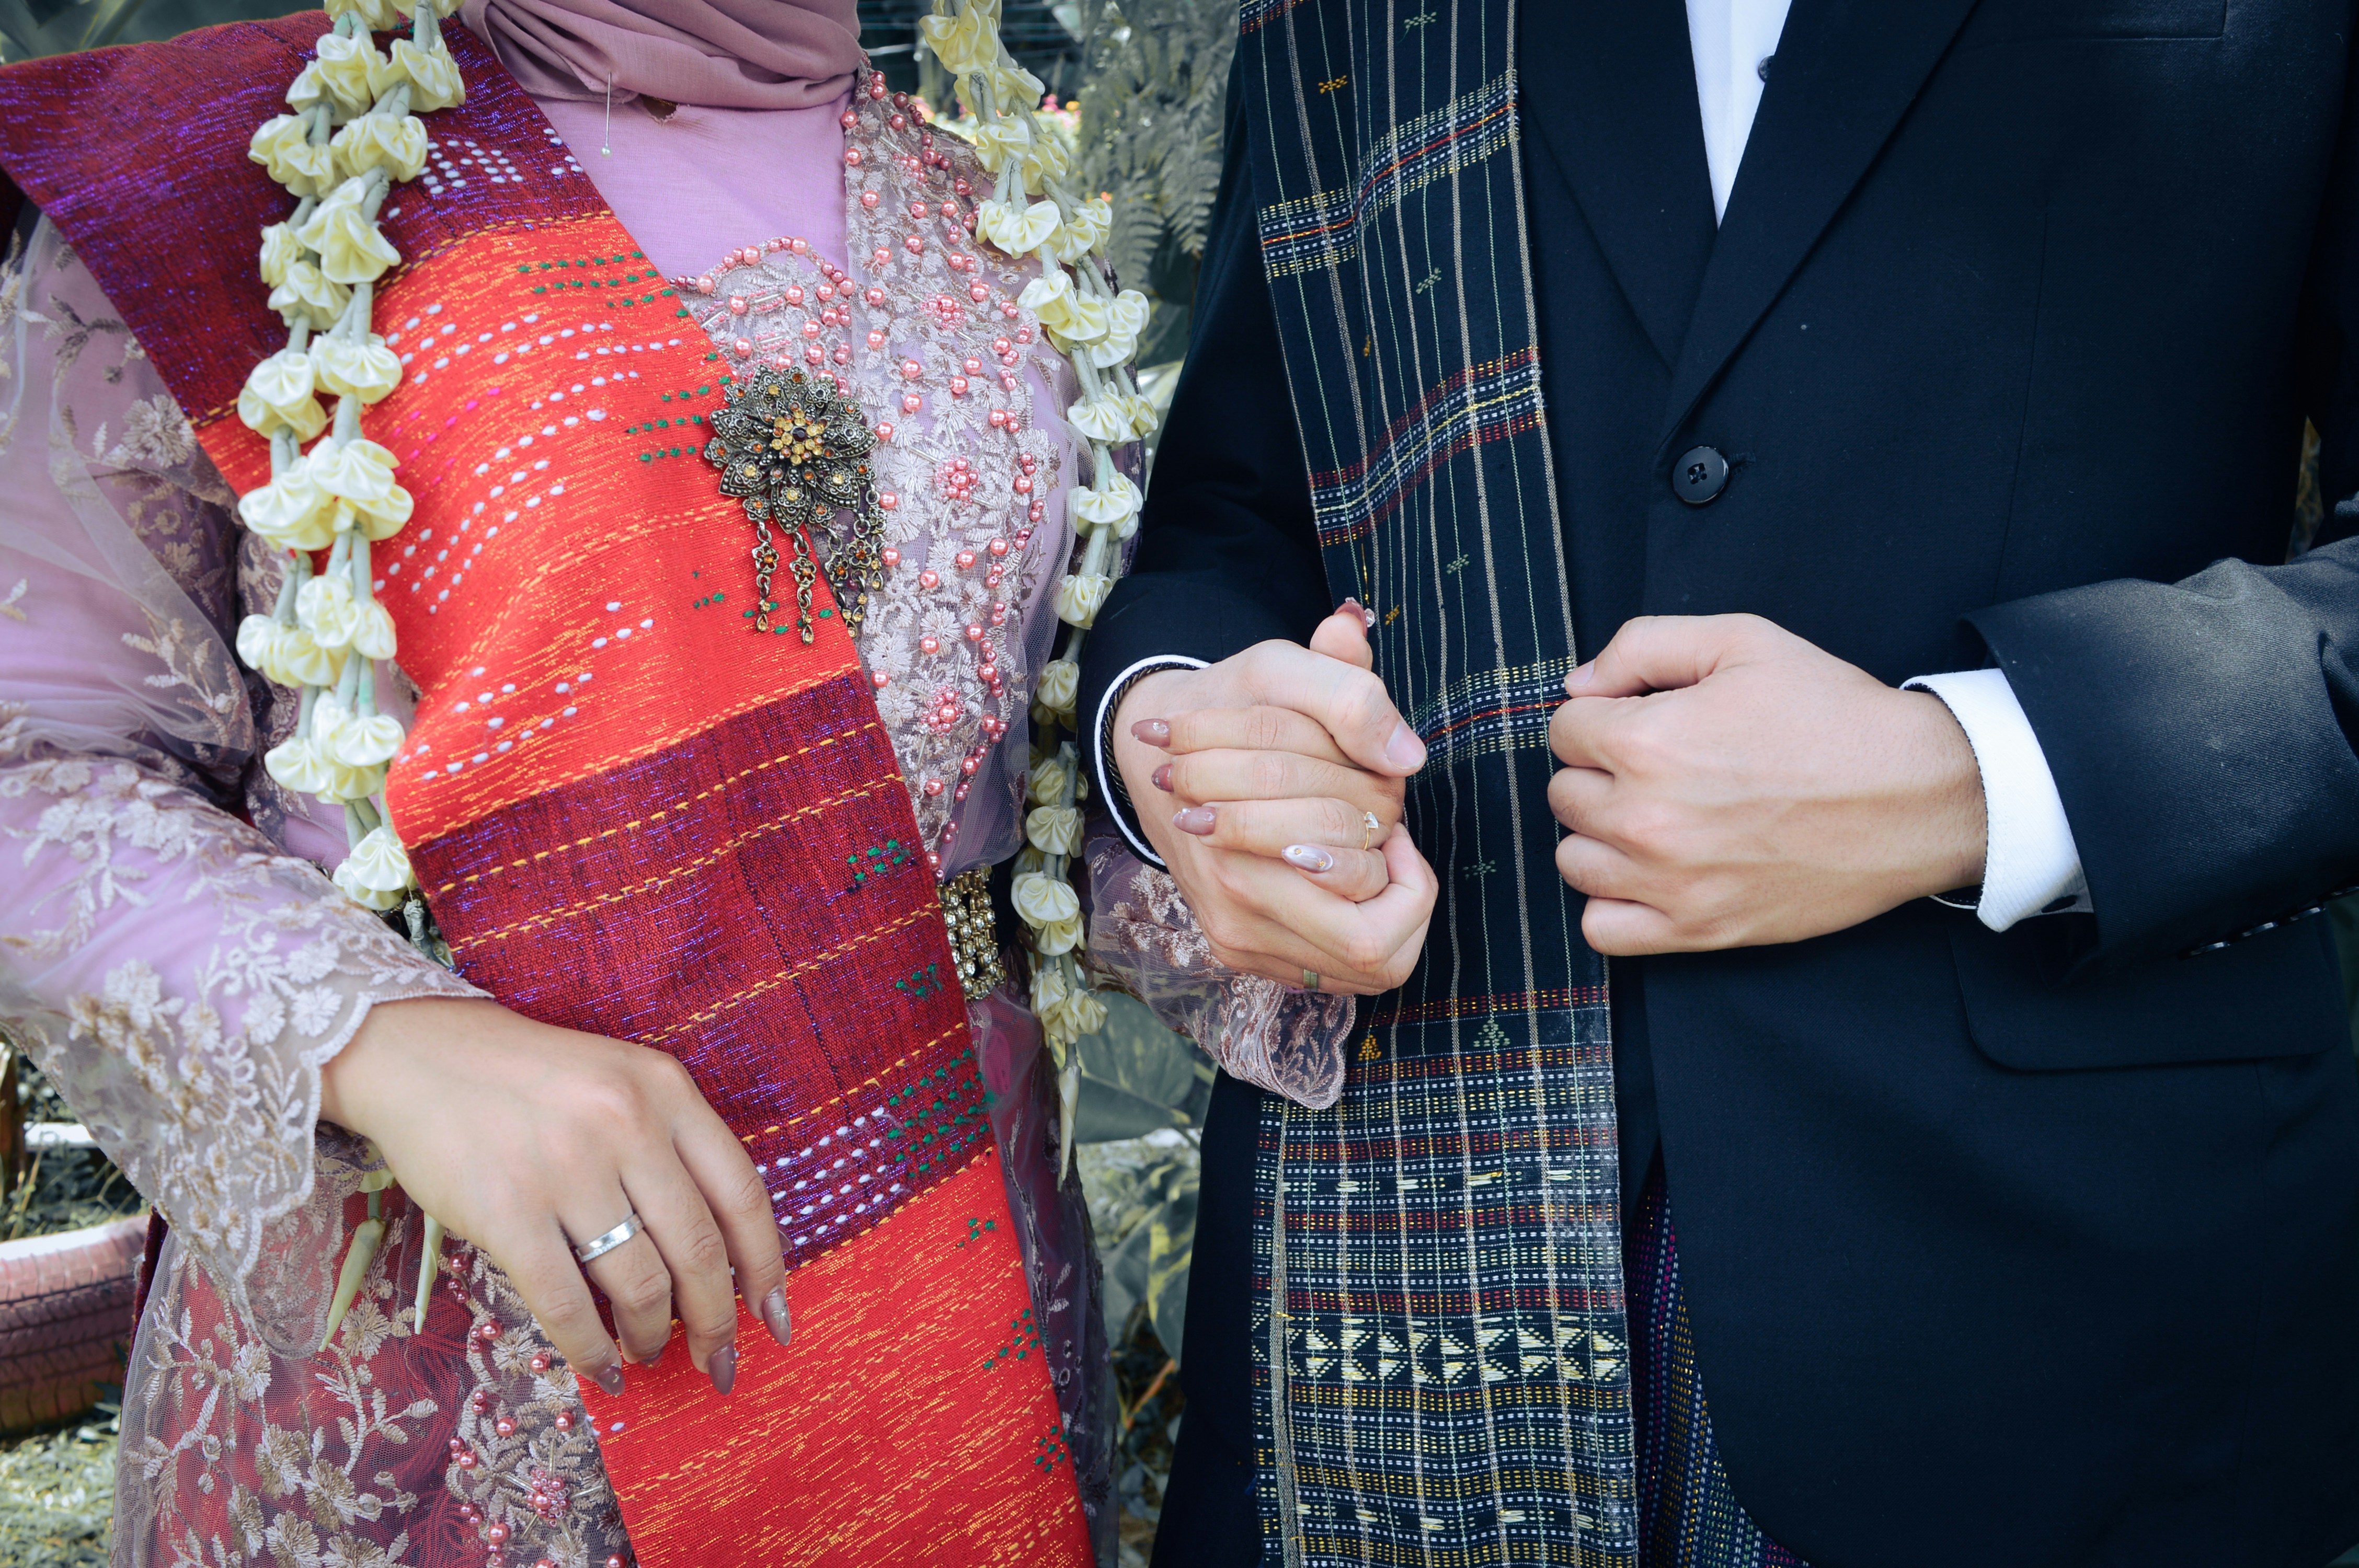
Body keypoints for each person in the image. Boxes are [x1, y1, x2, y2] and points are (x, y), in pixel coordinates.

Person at [1077, 2, 2359, 1565]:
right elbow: (1234, 522)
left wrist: (1972, 773)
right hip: (1396, 1297)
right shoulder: (1347, 21)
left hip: (2057, 1323)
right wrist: (1196, 748)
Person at [0, 0, 1183, 1561]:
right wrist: (380, 1033)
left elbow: (1022, 764)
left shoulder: (1001, 202)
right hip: (426, 1348)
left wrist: (1226, 822)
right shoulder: (238, 178)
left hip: (941, 1275)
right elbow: (37, 767)